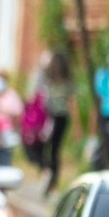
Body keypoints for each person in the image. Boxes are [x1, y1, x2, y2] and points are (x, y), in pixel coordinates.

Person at [38, 51, 74, 194]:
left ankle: (49, 175)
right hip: (59, 117)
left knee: (48, 148)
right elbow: (72, 102)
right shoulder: (65, 79)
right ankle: (52, 179)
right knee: (55, 150)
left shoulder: (49, 77)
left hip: (51, 117)